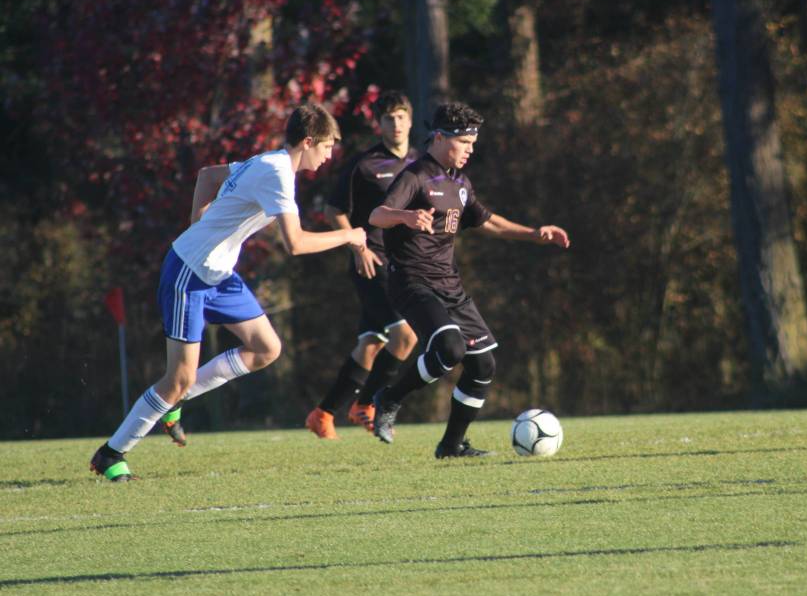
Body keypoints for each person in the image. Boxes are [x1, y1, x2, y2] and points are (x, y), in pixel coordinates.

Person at [89, 102, 366, 482]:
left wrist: (198, 225)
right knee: (177, 378)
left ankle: (178, 399)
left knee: (267, 349)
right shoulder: (277, 173)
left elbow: (207, 176)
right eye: (327, 146)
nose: (329, 155)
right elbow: (296, 244)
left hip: (218, 275)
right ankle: (111, 453)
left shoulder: (269, 162)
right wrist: (350, 235)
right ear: (307, 141)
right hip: (189, 272)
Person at [367, 102, 570, 458]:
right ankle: (389, 397)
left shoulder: (460, 182)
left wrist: (535, 233)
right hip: (413, 281)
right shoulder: (415, 176)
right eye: (465, 143)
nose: (470, 150)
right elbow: (377, 214)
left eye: (473, 144)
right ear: (441, 137)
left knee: (482, 364)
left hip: (450, 285)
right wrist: (405, 216)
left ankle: (451, 445)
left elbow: (487, 221)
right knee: (450, 349)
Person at [304, 91, 420, 439]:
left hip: (405, 265)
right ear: (378, 123)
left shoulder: (419, 163)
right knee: (406, 336)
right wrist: (358, 246)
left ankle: (322, 414)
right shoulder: (364, 164)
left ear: (410, 120)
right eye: (388, 118)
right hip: (372, 262)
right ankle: (366, 404)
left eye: (401, 116)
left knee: (370, 344)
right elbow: (333, 210)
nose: (395, 123)